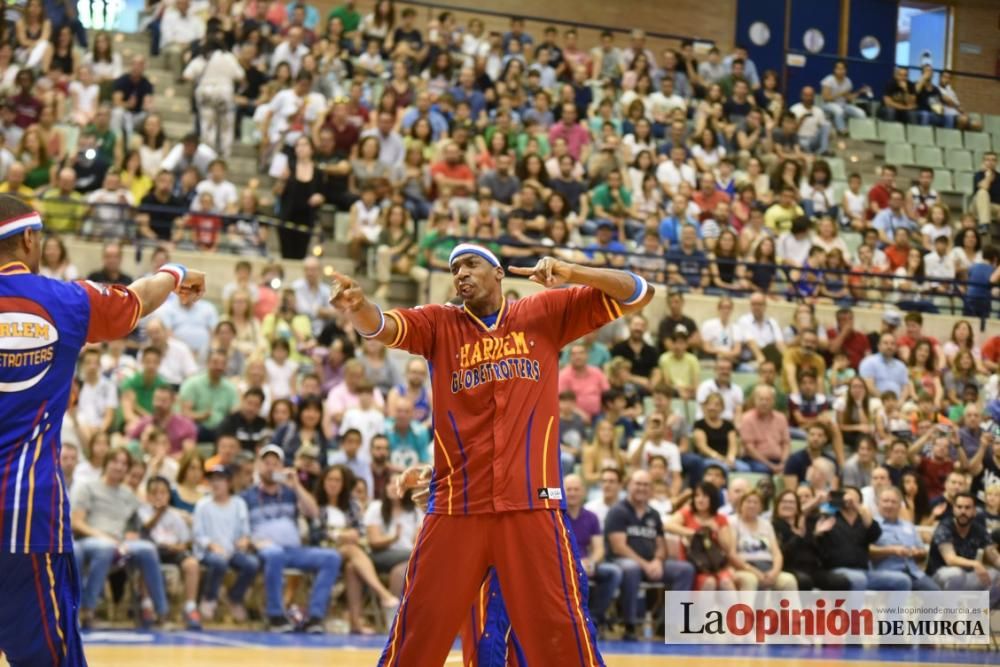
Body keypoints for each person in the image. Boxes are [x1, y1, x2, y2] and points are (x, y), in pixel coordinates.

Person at [330, 243, 653, 664]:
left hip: (531, 503)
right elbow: (383, 328)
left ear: (499, 273)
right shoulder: (439, 323)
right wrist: (359, 308)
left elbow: (638, 292)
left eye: (471, 264)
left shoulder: (544, 313)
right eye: (454, 268)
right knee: (420, 627)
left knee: (561, 630)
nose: (460, 273)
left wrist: (571, 270)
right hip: (456, 506)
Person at [0, 194, 204, 664]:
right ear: (30, 239)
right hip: (26, 517)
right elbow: (137, 300)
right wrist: (173, 272)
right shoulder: (65, 301)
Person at [243, 444, 342, 633]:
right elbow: (241, 529)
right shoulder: (247, 496)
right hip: (266, 549)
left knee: (332, 557)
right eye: (266, 463)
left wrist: (296, 484)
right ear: (258, 466)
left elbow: (313, 513)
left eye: (275, 463)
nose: (271, 467)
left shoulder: (290, 493)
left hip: (293, 549)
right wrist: (254, 542)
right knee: (275, 554)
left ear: (282, 467)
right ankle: (276, 616)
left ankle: (315, 617)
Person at [606, 470, 695, 640]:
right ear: (629, 485)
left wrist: (657, 560)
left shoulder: (653, 514)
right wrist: (645, 565)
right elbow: (619, 547)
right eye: (638, 484)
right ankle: (629, 624)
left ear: (651, 489)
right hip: (622, 562)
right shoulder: (618, 511)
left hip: (650, 563)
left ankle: (666, 625)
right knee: (631, 569)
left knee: (685, 570)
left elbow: (661, 545)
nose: (642, 488)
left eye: (646, 485)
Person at [193, 464, 258, 624]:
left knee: (252, 564)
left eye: (220, 479)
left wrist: (244, 540)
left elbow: (245, 531)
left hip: (233, 550)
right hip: (207, 552)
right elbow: (198, 534)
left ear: (229, 482)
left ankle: (234, 598)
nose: (216, 483)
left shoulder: (239, 504)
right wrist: (212, 545)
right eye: (213, 480)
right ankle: (210, 598)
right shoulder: (203, 505)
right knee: (218, 562)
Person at [817, 486, 911, 590]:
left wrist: (858, 508)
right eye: (845, 495)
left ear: (860, 502)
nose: (849, 499)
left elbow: (875, 535)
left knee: (903, 580)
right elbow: (818, 542)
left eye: (853, 497)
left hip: (865, 571)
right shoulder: (830, 519)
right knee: (859, 579)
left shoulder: (864, 521)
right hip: (838, 570)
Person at [871, 486, 939, 590]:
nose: (889, 505)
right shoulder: (871, 525)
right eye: (885, 501)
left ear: (900, 505)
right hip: (885, 573)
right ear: (877, 503)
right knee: (902, 582)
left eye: (894, 502)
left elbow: (922, 552)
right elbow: (866, 551)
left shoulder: (908, 526)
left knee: (935, 592)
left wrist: (918, 552)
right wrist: (892, 550)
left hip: (913, 573)